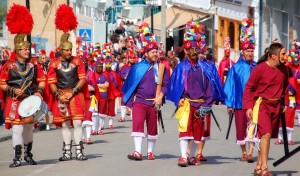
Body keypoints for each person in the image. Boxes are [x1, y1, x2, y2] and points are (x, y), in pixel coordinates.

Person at [0, 4, 46, 167]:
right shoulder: (9, 66)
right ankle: (17, 157)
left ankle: (28, 155)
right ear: (18, 50)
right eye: (25, 49)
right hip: (14, 101)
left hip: (30, 100)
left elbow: (42, 79)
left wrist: (39, 91)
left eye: (28, 49)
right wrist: (13, 90)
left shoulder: (34, 64)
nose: (28, 51)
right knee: (17, 130)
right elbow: (2, 84)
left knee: (28, 129)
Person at [167, 21, 214, 167]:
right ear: (185, 52)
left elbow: (209, 87)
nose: (192, 52)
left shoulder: (204, 68)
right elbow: (175, 86)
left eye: (195, 49)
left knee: (197, 133)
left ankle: (192, 156)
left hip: (200, 104)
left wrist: (207, 104)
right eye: (189, 50)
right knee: (184, 130)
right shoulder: (181, 67)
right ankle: (183, 156)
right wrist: (178, 100)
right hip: (187, 103)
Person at [122, 21, 169, 161]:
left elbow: (165, 84)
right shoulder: (137, 67)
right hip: (140, 102)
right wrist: (129, 104)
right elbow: (131, 86)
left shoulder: (161, 67)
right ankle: (137, 151)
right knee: (137, 124)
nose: (156, 54)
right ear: (146, 53)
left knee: (153, 128)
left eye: (157, 52)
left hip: (154, 103)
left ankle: (150, 152)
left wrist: (160, 96)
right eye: (153, 52)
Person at [47, 4, 88, 161]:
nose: (69, 52)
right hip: (61, 96)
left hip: (75, 95)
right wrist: (58, 95)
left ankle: (79, 151)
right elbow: (51, 81)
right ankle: (66, 152)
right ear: (60, 50)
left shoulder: (78, 61)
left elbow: (83, 78)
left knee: (77, 123)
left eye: (70, 50)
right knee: (65, 125)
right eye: (66, 50)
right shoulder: (53, 63)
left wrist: (73, 92)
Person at [243, 41, 289, 176]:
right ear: (274, 56)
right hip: (262, 105)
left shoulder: (284, 69)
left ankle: (258, 167)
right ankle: (264, 168)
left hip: (276, 106)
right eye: (283, 54)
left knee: (265, 137)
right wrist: (248, 107)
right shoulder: (260, 69)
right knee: (266, 134)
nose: (285, 56)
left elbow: (285, 87)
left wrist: (285, 103)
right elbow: (249, 88)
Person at [223, 17, 257, 163]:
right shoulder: (235, 68)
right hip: (239, 102)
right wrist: (229, 104)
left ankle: (251, 152)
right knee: (241, 129)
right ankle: (243, 151)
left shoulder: (257, 67)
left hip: (254, 103)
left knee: (253, 127)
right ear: (242, 51)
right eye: (247, 51)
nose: (249, 53)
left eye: (251, 51)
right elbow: (229, 86)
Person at [119, 48, 137, 122]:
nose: (132, 59)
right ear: (128, 58)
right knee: (123, 101)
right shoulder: (124, 67)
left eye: (133, 58)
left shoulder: (137, 67)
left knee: (134, 101)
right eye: (131, 58)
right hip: (126, 86)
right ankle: (122, 117)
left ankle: (133, 116)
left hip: (134, 87)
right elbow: (121, 76)